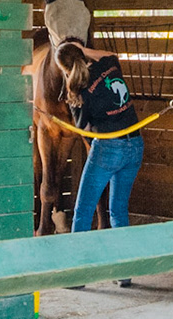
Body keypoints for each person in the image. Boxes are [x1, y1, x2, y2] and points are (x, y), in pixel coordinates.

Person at [53, 40, 145, 235]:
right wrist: (83, 50)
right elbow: (112, 54)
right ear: (82, 55)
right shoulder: (108, 66)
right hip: (136, 145)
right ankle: (125, 259)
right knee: (119, 211)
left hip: (109, 148)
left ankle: (80, 261)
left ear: (65, 70)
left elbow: (83, 128)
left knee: (83, 211)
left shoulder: (78, 90)